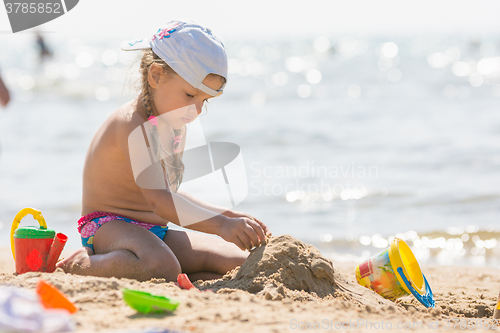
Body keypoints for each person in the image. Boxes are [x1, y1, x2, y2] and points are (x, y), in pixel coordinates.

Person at [57, 20, 271, 282]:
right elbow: (159, 200)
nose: (197, 110)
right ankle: (79, 263)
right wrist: (220, 225)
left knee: (237, 263)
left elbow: (170, 191)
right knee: (161, 265)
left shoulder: (173, 121)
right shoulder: (132, 124)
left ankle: (183, 279)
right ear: (156, 75)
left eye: (205, 100)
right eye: (190, 95)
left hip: (154, 231)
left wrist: (229, 215)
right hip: (107, 228)